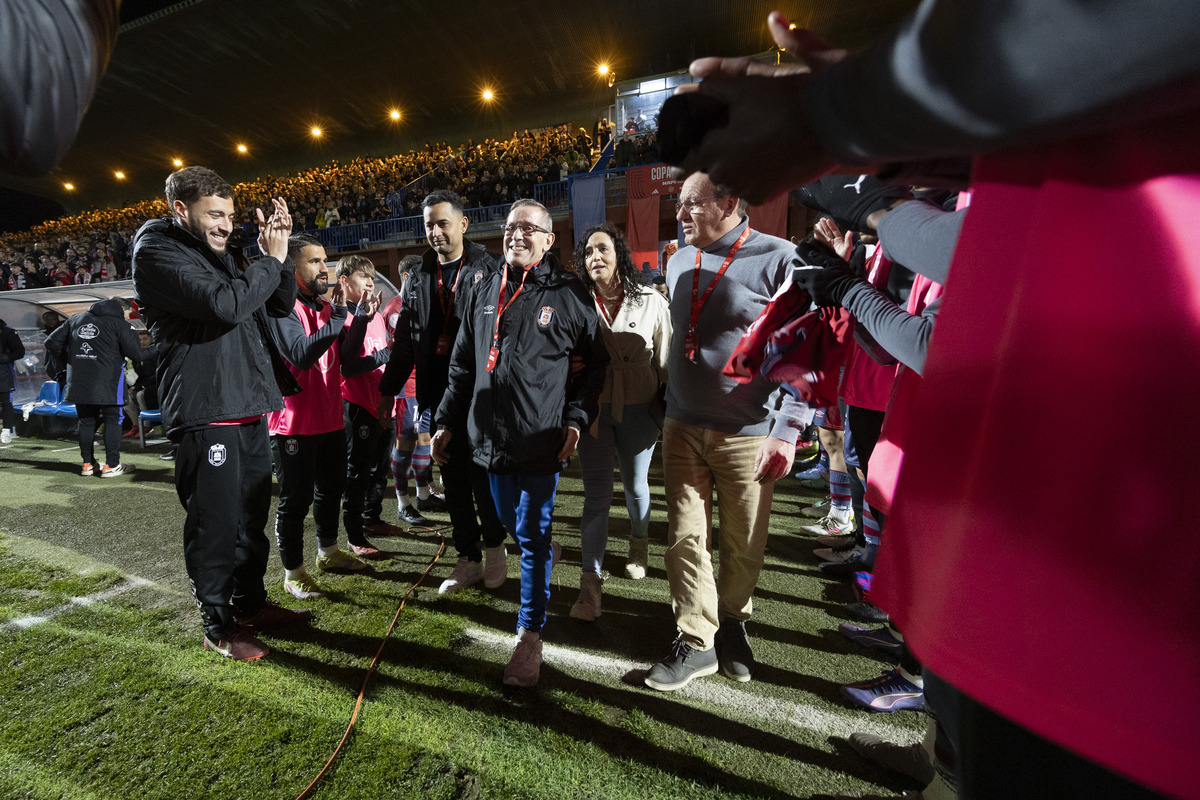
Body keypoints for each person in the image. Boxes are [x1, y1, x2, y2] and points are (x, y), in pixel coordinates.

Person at [666, 5, 1200, 798]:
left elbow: (1115, 29)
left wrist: (839, 122)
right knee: (974, 714)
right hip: (1044, 471)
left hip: (1114, 512)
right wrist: (882, 148)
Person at [132, 166, 312, 661]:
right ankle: (218, 623)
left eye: (230, 215)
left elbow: (276, 304)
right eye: (214, 214)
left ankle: (250, 604)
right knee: (216, 522)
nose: (225, 225)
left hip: (247, 401)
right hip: (204, 406)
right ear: (179, 209)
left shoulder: (227, 253)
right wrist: (267, 261)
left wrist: (272, 253)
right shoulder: (157, 249)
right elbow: (225, 305)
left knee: (250, 517)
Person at [644, 171, 811, 692]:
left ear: (730, 201)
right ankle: (696, 639)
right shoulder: (676, 259)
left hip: (749, 430)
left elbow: (805, 348)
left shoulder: (781, 257)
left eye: (692, 204)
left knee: (744, 543)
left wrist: (788, 427)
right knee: (685, 537)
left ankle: (733, 621)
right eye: (678, 203)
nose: (680, 213)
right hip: (682, 424)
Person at [432, 199, 607, 687]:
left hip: (538, 440)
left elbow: (595, 364)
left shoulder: (570, 292)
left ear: (549, 241)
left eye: (530, 229)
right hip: (485, 440)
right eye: (511, 227)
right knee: (512, 526)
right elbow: (464, 364)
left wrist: (575, 417)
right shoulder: (484, 287)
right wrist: (446, 418)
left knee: (532, 534)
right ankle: (533, 571)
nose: (518, 235)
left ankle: (529, 636)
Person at [378, 189, 507, 595]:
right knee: (451, 477)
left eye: (442, 223)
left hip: (478, 394)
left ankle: (496, 549)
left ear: (463, 224)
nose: (435, 232)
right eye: (429, 224)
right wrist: (388, 388)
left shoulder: (489, 269)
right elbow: (404, 341)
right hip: (436, 396)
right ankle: (467, 557)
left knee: (483, 475)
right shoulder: (417, 277)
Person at [569, 223, 670, 621]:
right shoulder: (575, 302)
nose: (596, 257)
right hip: (594, 407)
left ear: (619, 255)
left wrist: (669, 405)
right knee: (596, 492)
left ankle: (639, 545)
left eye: (603, 250)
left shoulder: (649, 299)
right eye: (589, 252)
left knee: (635, 484)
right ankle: (590, 580)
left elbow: (666, 358)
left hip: (639, 406)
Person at [266, 234, 372, 604]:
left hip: (329, 416)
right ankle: (293, 574)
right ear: (292, 268)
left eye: (324, 260)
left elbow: (345, 354)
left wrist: (359, 319)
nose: (324, 267)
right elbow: (300, 355)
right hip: (292, 422)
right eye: (314, 262)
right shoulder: (282, 308)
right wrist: (341, 317)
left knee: (331, 488)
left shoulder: (326, 307)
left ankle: (328, 552)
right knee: (295, 500)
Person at [44, 296, 155, 477]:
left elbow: (51, 342)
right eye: (128, 313)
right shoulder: (120, 324)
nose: (128, 317)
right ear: (122, 308)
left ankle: (88, 464)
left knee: (86, 422)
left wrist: (71, 362)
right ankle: (112, 465)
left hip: (79, 381)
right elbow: (139, 354)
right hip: (108, 382)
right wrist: (162, 346)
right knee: (113, 420)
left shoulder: (76, 319)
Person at [335, 255, 393, 550]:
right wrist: (387, 354)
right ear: (344, 281)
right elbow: (348, 367)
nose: (370, 281)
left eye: (372, 276)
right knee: (357, 472)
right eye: (362, 276)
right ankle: (354, 535)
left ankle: (373, 517)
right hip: (357, 406)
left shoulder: (379, 316)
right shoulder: (340, 318)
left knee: (381, 467)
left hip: (384, 403)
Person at [0, 317, 25, 443]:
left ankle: (6, 431)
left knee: (6, 401)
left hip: (3, 372)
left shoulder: (8, 331)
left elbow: (20, 352)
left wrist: (4, 358)